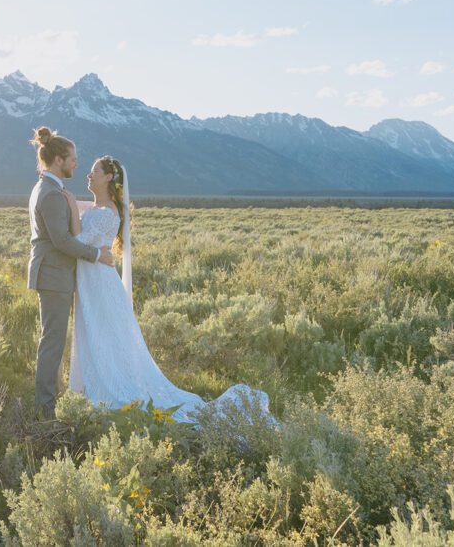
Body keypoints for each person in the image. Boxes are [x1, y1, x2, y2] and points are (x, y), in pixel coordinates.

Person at [62, 155, 272, 423]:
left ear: (108, 178)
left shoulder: (107, 214)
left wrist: (69, 205)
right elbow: (82, 220)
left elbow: (78, 240)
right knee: (93, 335)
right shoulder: (95, 209)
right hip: (91, 283)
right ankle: (87, 388)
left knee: (104, 337)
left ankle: (109, 391)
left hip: (100, 286)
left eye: (93, 172)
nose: (88, 176)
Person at [27, 127, 114, 418]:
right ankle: (45, 409)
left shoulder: (52, 189)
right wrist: (97, 254)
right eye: (73, 159)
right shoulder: (50, 193)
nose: (77, 164)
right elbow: (62, 241)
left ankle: (52, 400)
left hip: (56, 274)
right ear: (58, 160)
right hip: (53, 275)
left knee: (53, 340)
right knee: (52, 342)